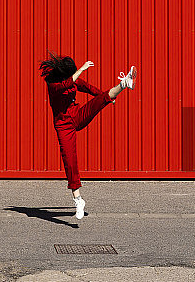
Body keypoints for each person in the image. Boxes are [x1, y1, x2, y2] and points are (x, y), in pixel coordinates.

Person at [39, 52, 135, 220]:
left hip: (77, 115)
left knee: (103, 98)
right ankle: (78, 200)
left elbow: (89, 88)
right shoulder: (53, 85)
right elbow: (67, 84)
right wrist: (82, 69)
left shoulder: (74, 81)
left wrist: (104, 97)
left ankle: (124, 83)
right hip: (63, 125)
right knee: (70, 160)